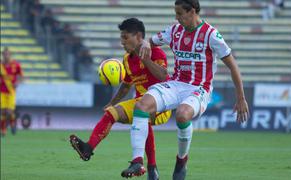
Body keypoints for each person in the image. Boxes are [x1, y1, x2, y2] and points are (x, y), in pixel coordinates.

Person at [121, 0, 250, 179]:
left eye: (180, 13)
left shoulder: (211, 35)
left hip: (199, 88)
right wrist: (146, 44)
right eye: (175, 13)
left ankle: (182, 160)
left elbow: (232, 65)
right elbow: (150, 41)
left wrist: (241, 97)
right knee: (142, 106)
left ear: (192, 12)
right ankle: (137, 162)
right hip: (176, 84)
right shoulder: (174, 31)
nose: (176, 17)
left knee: (182, 114)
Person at [69, 18, 171, 180]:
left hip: (162, 104)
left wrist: (145, 59)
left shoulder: (155, 52)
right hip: (141, 103)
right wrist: (112, 103)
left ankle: (147, 166)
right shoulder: (126, 59)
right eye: (121, 38)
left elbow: (163, 75)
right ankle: (88, 148)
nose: (122, 42)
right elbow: (126, 86)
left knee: (143, 118)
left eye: (125, 37)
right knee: (111, 113)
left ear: (138, 36)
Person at [1, 47, 24, 137]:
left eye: (8, 54)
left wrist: (17, 82)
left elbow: (21, 76)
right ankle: (3, 129)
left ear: (10, 55)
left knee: (9, 111)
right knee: (2, 111)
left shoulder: (15, 64)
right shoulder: (1, 65)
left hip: (11, 91)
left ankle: (13, 123)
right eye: (4, 54)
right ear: (2, 55)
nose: (6, 56)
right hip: (2, 91)